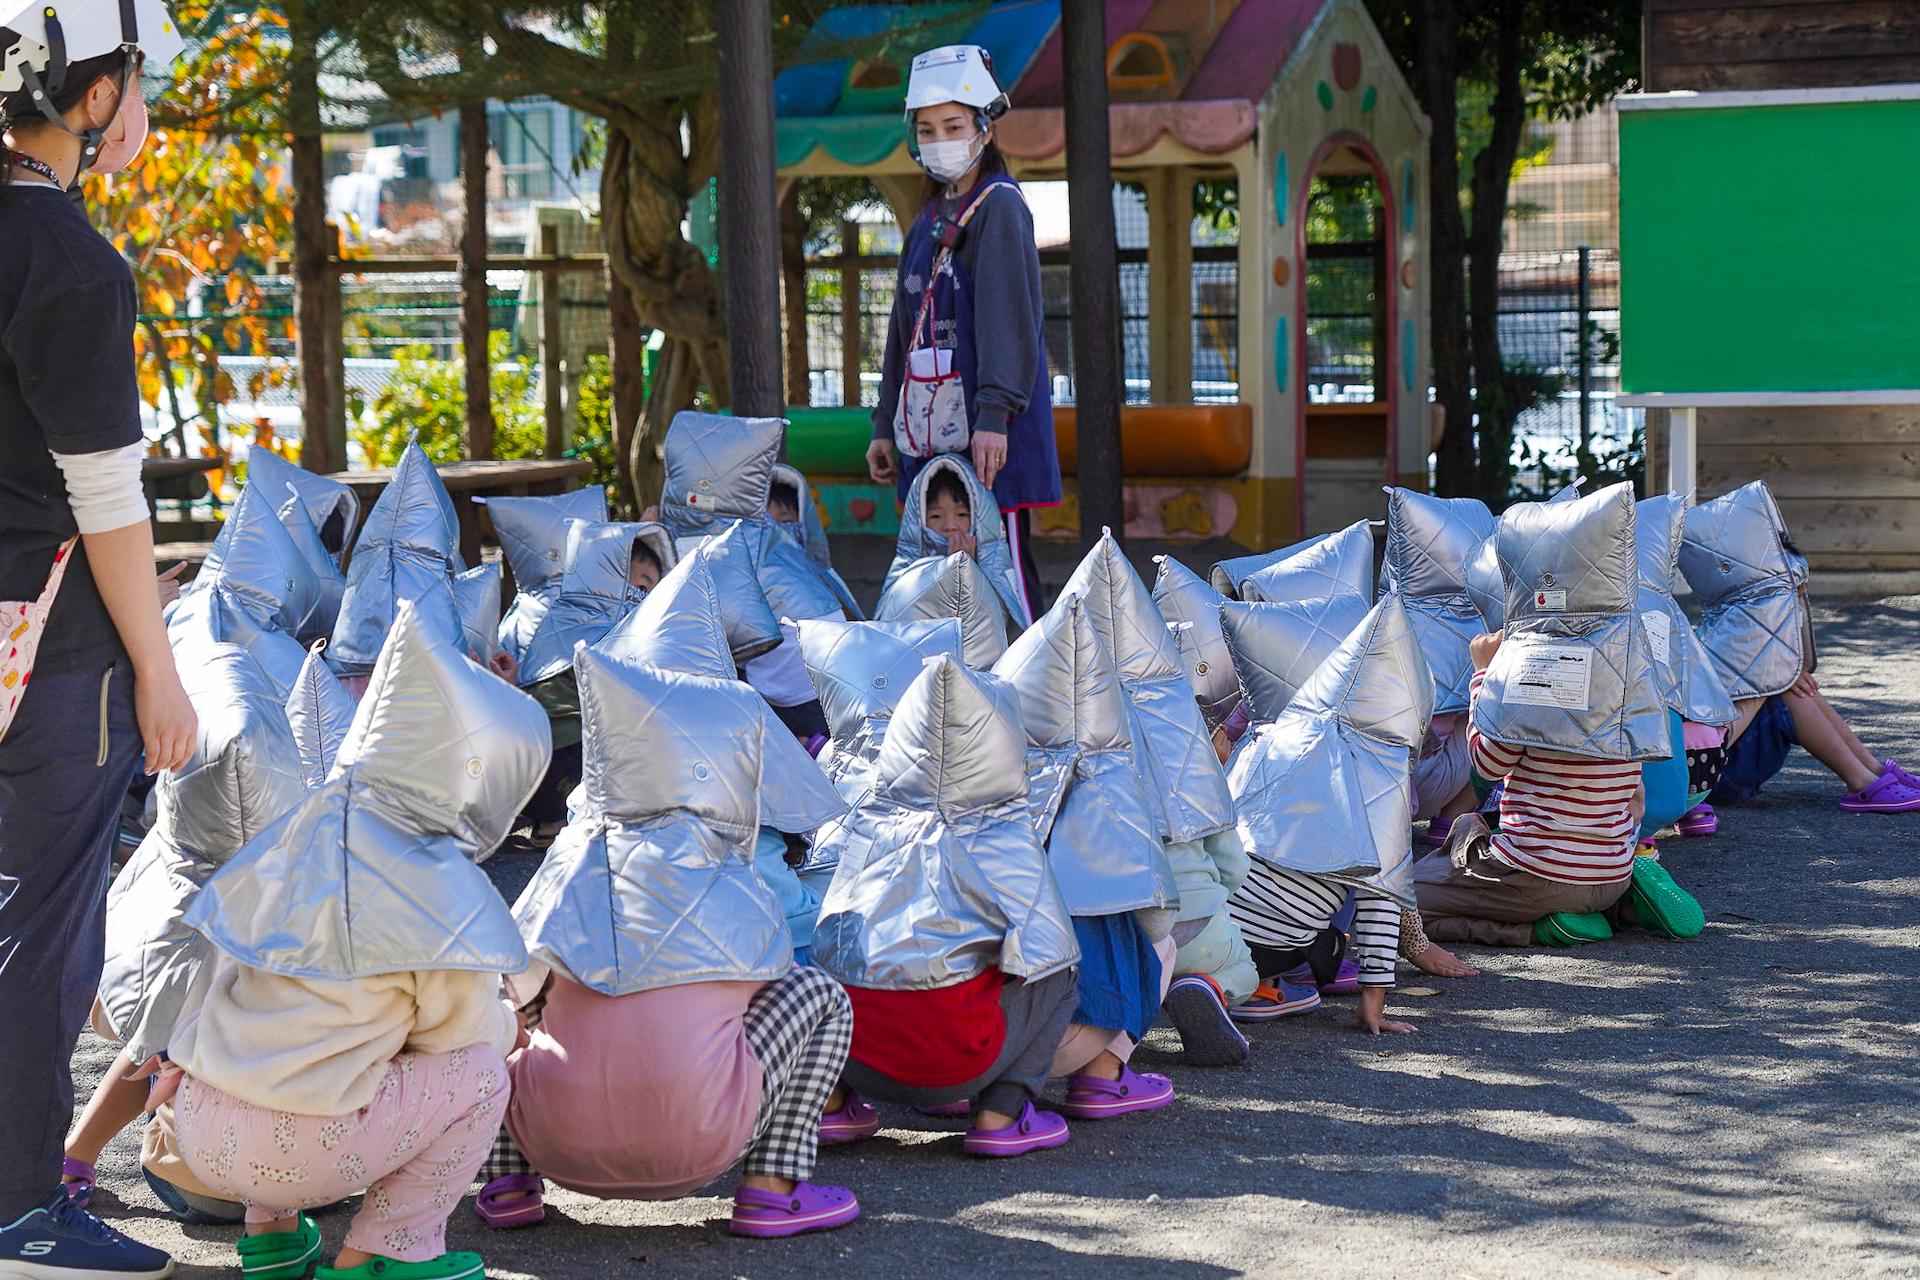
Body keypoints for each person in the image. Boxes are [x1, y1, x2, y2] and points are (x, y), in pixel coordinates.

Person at [165, 603, 551, 1280]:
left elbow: (220, 962)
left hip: (203, 1126)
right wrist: (508, 1026)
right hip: (304, 1147)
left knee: (292, 1045)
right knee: (481, 1076)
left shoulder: (297, 834)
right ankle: (386, 1250)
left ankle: (274, 1240)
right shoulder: (432, 885)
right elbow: (456, 1034)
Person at [0, 3, 194, 1275]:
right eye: (137, 87)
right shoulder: (67, 258)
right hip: (52, 651)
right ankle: (19, 1207)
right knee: (37, 929)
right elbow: (107, 495)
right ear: (91, 93)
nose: (141, 113)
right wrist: (162, 670)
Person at [480, 649, 861, 1238]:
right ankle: (773, 1189)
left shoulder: (565, 874)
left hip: (552, 1137)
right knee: (819, 994)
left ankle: (507, 1183)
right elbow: (770, 976)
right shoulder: (732, 876)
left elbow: (517, 982)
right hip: (698, 1140)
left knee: (505, 1016)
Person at [812, 655, 1084, 1156]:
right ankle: (1001, 1115)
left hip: (854, 1056)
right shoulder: (1003, 833)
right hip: (952, 1066)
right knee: (1061, 968)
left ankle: (830, 1103)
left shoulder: (871, 819)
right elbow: (1045, 948)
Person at [1415, 485, 1705, 948]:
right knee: (1470, 831)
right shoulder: (1629, 659)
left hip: (1536, 875)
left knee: (1400, 901)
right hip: (1611, 865)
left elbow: (1486, 768)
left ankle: (1541, 926)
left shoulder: (1528, 668)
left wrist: (1484, 675)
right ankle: (1622, 900)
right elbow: (1636, 793)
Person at [867, 44, 1060, 621]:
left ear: (984, 127)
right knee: (934, 586)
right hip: (927, 435)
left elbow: (1011, 318)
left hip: (987, 439)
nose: (940, 139)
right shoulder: (927, 219)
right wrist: (883, 424)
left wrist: (995, 415)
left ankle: (1038, 695)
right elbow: (904, 330)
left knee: (1006, 581)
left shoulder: (999, 206)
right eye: (927, 129)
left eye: (953, 124)